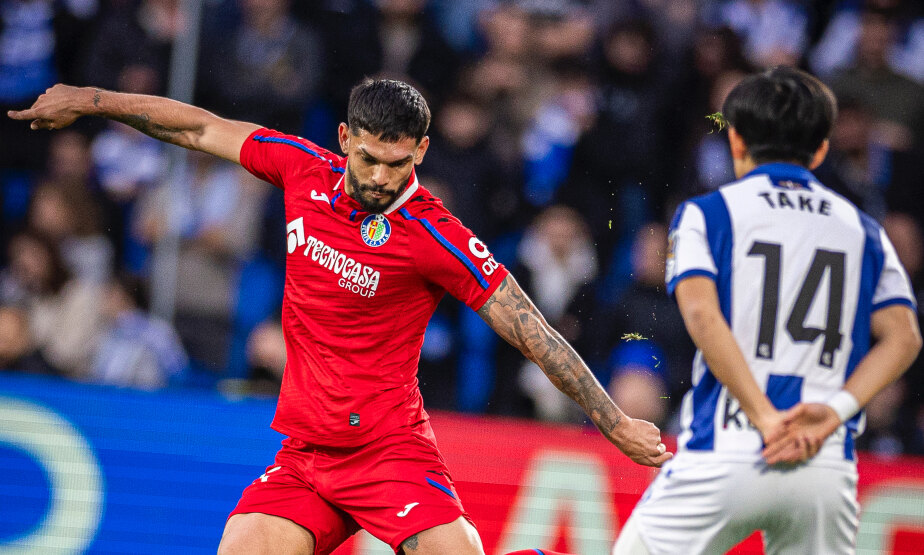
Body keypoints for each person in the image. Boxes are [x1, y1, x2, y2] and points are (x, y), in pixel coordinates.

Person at [9, 79, 672, 555]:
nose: (382, 177)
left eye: (399, 162)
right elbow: (198, 126)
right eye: (369, 158)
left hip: (390, 452)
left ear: (421, 151)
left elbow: (530, 328)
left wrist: (612, 421)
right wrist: (94, 102)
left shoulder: (433, 234)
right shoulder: (303, 171)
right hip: (307, 456)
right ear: (344, 138)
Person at [612, 66, 922, 555]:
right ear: (821, 149)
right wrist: (834, 413)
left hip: (728, 447)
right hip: (822, 463)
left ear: (735, 141)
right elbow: (904, 337)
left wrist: (765, 416)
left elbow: (702, 318)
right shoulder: (864, 229)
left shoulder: (706, 213)